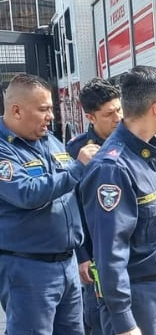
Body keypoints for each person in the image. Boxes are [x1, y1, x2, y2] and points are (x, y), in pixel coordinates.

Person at [79, 66, 156, 335]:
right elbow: (110, 252)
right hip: (138, 298)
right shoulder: (112, 168)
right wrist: (123, 320)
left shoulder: (150, 153)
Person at [0, 74, 99, 334]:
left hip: (67, 265)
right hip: (29, 270)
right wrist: (78, 167)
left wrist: (82, 254)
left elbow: (69, 199)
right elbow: (27, 193)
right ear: (17, 110)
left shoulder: (51, 142)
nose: (51, 116)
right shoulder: (4, 150)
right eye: (43, 109)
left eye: (51, 109)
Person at [67, 78, 122, 335]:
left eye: (119, 109)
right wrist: (82, 256)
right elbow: (71, 207)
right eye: (109, 114)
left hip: (131, 251)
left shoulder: (131, 143)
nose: (118, 118)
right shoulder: (77, 151)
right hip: (95, 255)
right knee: (99, 320)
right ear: (90, 117)